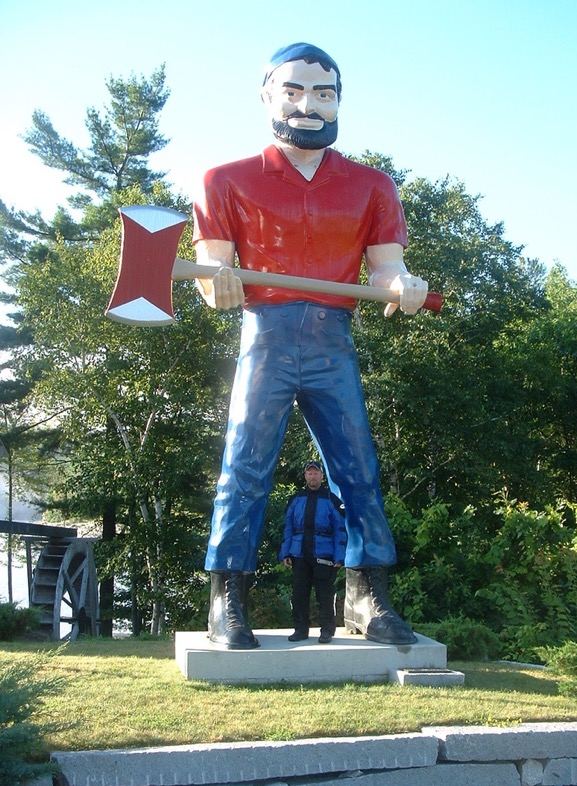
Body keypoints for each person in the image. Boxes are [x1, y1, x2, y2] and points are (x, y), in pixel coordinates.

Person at [193, 42, 428, 650]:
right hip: (265, 335)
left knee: (358, 468)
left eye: (323, 93)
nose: (308, 104)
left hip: (331, 337)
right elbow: (212, 274)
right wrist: (216, 285)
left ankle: (365, 593)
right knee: (244, 465)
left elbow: (384, 272)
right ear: (268, 95)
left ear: (339, 101)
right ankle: (226, 598)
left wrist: (400, 284)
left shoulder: (372, 186)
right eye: (293, 90)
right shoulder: (225, 180)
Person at [280, 461, 346, 643]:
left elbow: (340, 530)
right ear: (305, 476)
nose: (313, 476)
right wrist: (285, 553)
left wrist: (339, 556)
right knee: (299, 594)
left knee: (325, 595)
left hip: (324, 554)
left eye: (316, 473)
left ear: (322, 476)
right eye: (309, 473)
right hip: (299, 554)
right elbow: (288, 528)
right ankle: (301, 629)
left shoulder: (332, 499)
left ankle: (326, 630)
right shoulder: (296, 499)